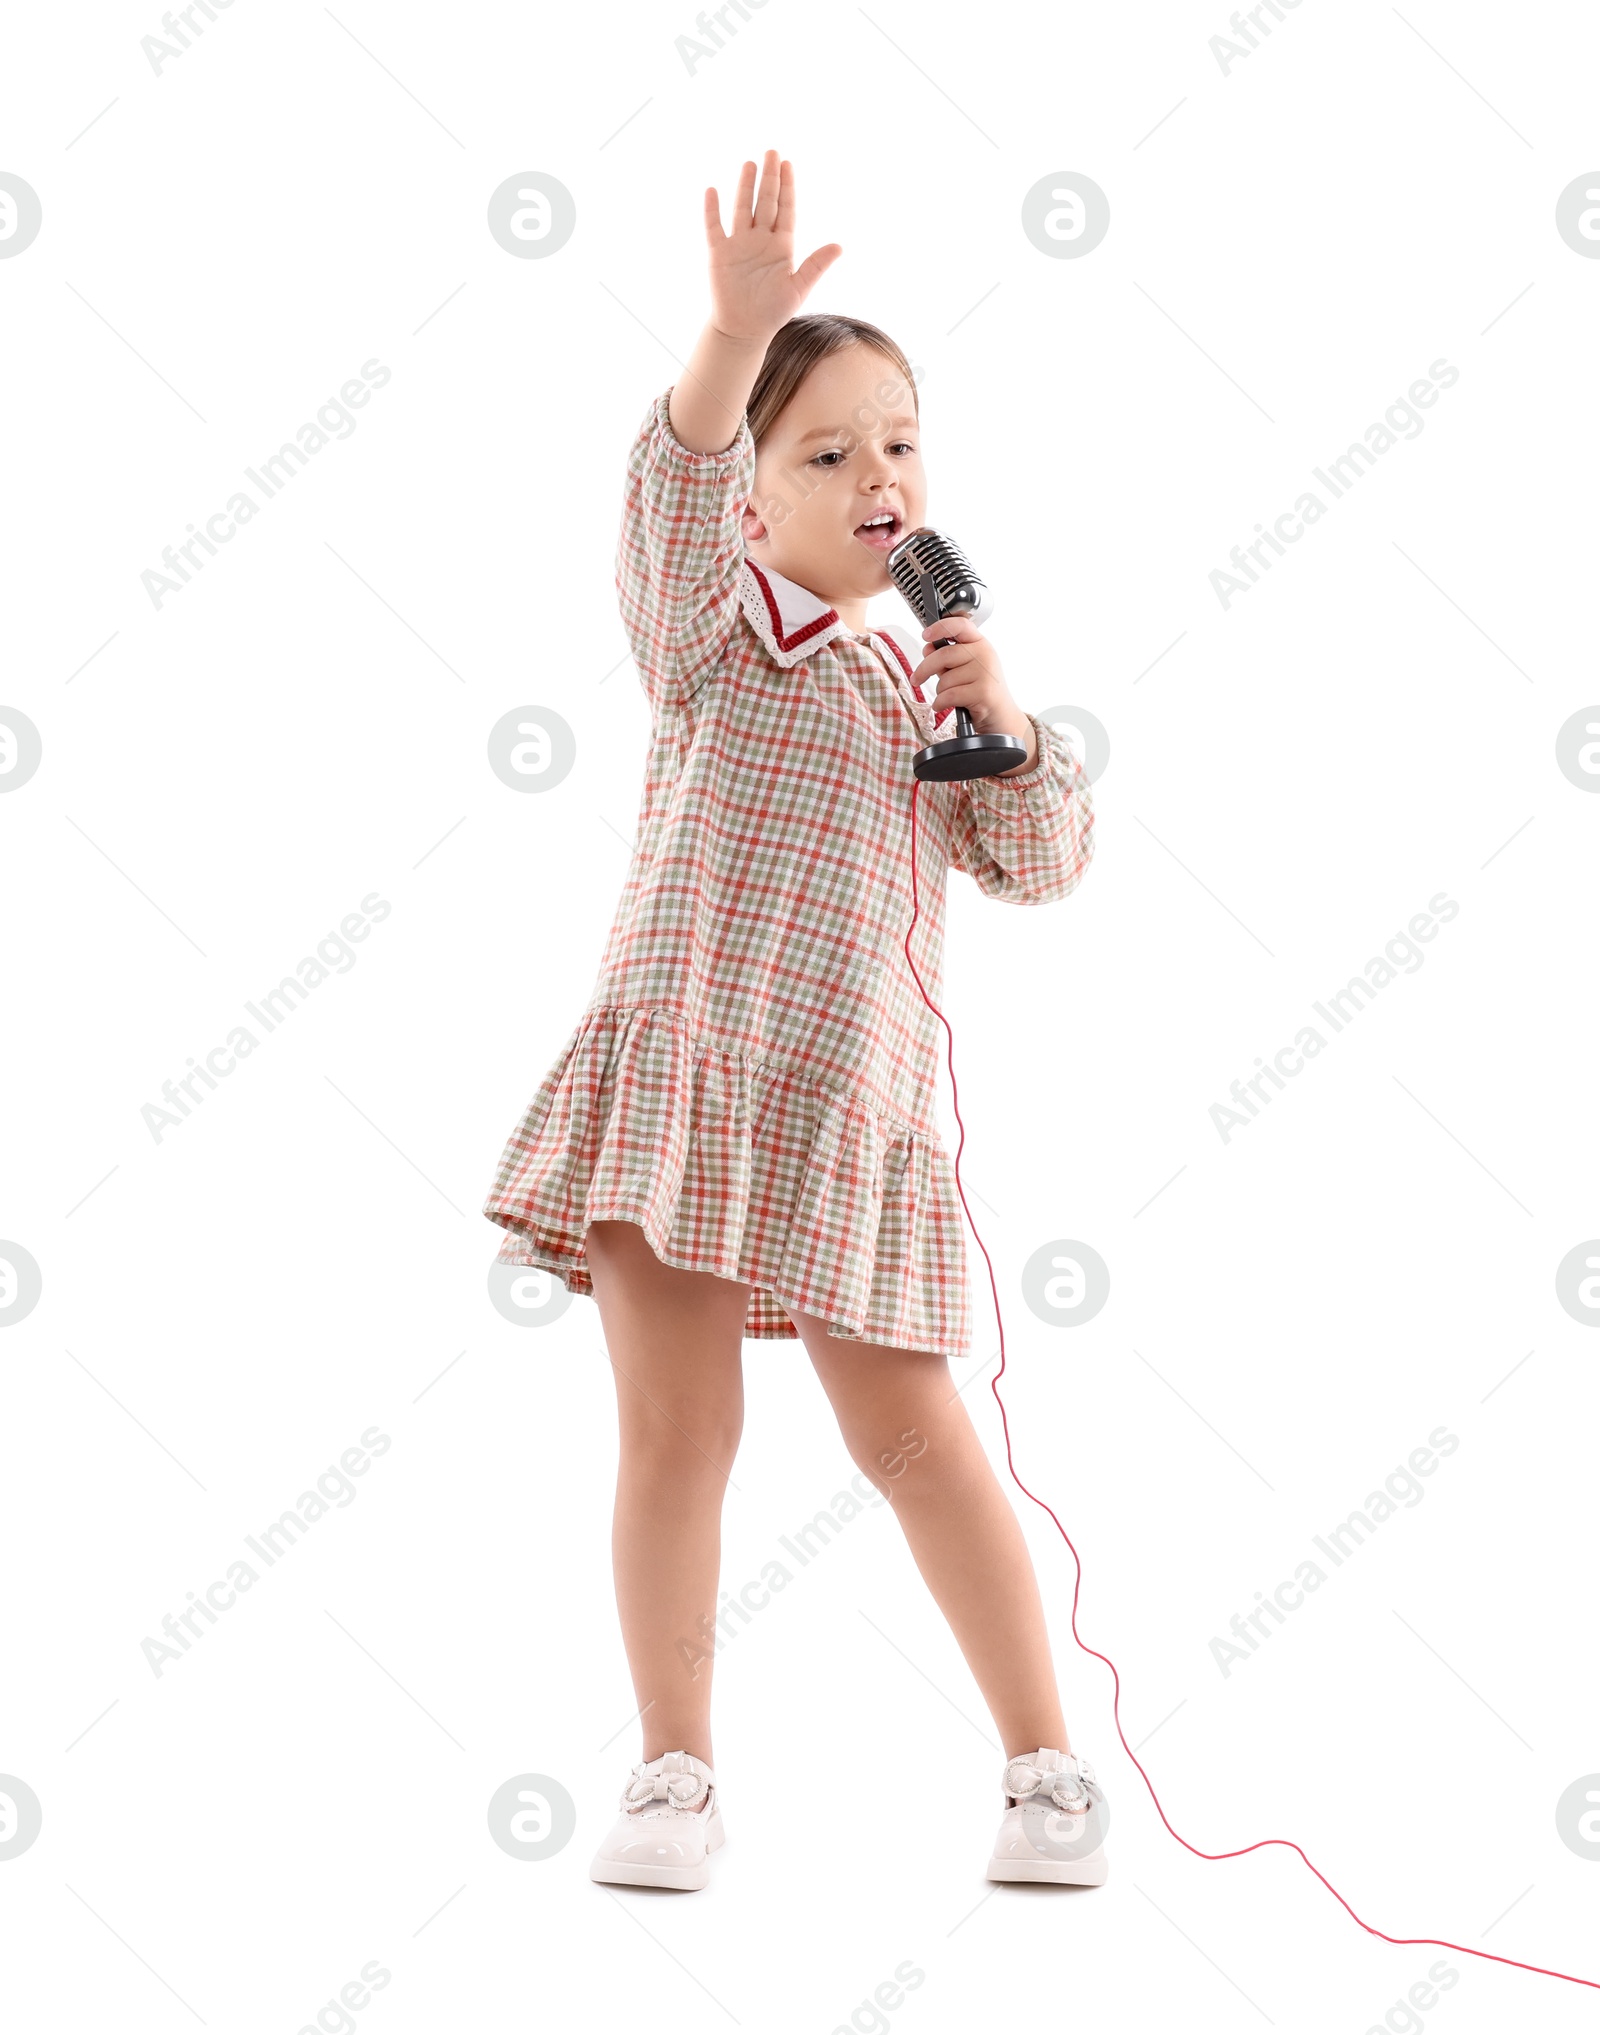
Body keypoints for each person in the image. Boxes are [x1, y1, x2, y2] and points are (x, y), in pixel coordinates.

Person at [482, 150, 1104, 1891]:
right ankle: (675, 1772)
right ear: (756, 508)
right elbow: (661, 488)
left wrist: (1014, 725)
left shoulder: (928, 684)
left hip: (849, 1110)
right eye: (825, 451)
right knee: (678, 1433)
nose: (876, 475)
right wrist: (728, 334)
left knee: (912, 1435)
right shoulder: (712, 637)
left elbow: (1040, 866)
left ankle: (1046, 1770)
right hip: (686, 1083)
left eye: (900, 441)